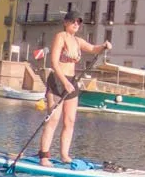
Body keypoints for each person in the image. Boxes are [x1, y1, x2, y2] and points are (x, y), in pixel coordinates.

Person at [37, 14, 110, 165]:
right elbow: (54, 62)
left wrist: (103, 46)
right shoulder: (60, 37)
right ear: (65, 22)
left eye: (78, 22)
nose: (76, 24)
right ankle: (44, 156)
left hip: (72, 81)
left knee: (69, 121)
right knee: (53, 119)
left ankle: (65, 155)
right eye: (73, 21)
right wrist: (64, 82)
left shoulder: (78, 41)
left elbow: (93, 49)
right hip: (58, 80)